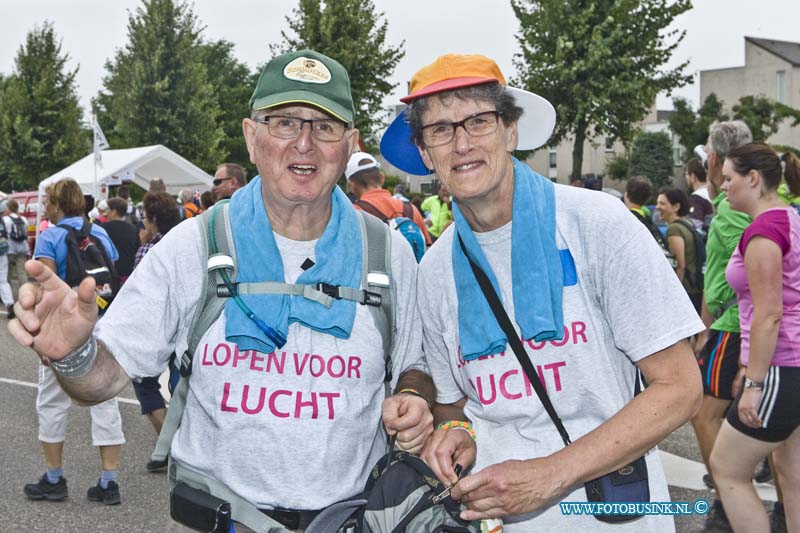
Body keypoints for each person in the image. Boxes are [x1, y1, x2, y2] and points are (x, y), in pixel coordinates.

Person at [9, 49, 433, 532]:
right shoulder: (193, 245)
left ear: (350, 143)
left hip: (351, 519)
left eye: (325, 126)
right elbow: (104, 379)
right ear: (252, 138)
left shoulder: (387, 253)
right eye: (284, 123)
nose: (304, 144)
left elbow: (415, 366)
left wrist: (415, 398)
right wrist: (74, 353)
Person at [380, 53, 703, 531]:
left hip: (614, 514)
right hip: (495, 520)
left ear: (510, 131)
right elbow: (455, 407)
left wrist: (551, 474)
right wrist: (454, 434)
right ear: (426, 153)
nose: (462, 143)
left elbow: (680, 388)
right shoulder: (434, 270)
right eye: (441, 130)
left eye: (479, 121)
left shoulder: (597, 225)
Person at [709, 142, 800, 533]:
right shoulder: (791, 217)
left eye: (728, 178)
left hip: (781, 366)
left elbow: (769, 314)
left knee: (727, 469)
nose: (723, 187)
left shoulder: (765, 230)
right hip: (791, 364)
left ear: (753, 178)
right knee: (791, 472)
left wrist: (753, 383)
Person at [22, 178, 125, 506]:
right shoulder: (101, 233)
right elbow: (114, 270)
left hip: (66, 330)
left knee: (52, 402)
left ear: (56, 204)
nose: (45, 208)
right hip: (101, 324)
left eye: (48, 202)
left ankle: (54, 479)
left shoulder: (50, 236)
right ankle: (109, 482)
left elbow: (45, 289)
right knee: (105, 399)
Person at [689, 120, 755, 531]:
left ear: (714, 159)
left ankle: (726, 497)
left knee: (703, 414)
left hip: (734, 327)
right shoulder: (768, 204)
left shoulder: (731, 211)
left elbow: (751, 271)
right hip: (733, 324)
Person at [130, 191, 182, 472]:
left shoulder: (147, 250)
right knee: (181, 386)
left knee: (145, 382)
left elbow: (139, 294)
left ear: (152, 220)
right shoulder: (186, 244)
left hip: (157, 326)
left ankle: (169, 448)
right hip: (187, 324)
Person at [345, 151, 432, 247]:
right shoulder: (411, 209)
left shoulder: (354, 213)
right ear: (382, 177)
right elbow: (426, 247)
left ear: (351, 185)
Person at [656, 187, 702, 312]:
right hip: (695, 286)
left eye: (662, 203)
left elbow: (679, 265)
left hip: (686, 289)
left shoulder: (674, 229)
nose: (657, 207)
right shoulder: (688, 223)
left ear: (676, 207)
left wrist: (675, 295)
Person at [102, 198, 139, 285]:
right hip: (127, 276)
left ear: (114, 211)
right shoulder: (133, 229)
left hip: (109, 275)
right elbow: (136, 250)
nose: (105, 213)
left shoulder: (103, 229)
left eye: (108, 209)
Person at [4, 198, 31, 299]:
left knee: (7, 272)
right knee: (22, 272)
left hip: (10, 249)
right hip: (23, 248)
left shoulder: (6, 220)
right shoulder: (24, 219)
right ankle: (26, 295)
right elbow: (26, 234)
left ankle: (8, 295)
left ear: (8, 208)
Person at [685, 157, 713, 231]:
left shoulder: (697, 198)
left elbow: (695, 227)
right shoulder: (714, 193)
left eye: (687, 174)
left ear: (693, 176)